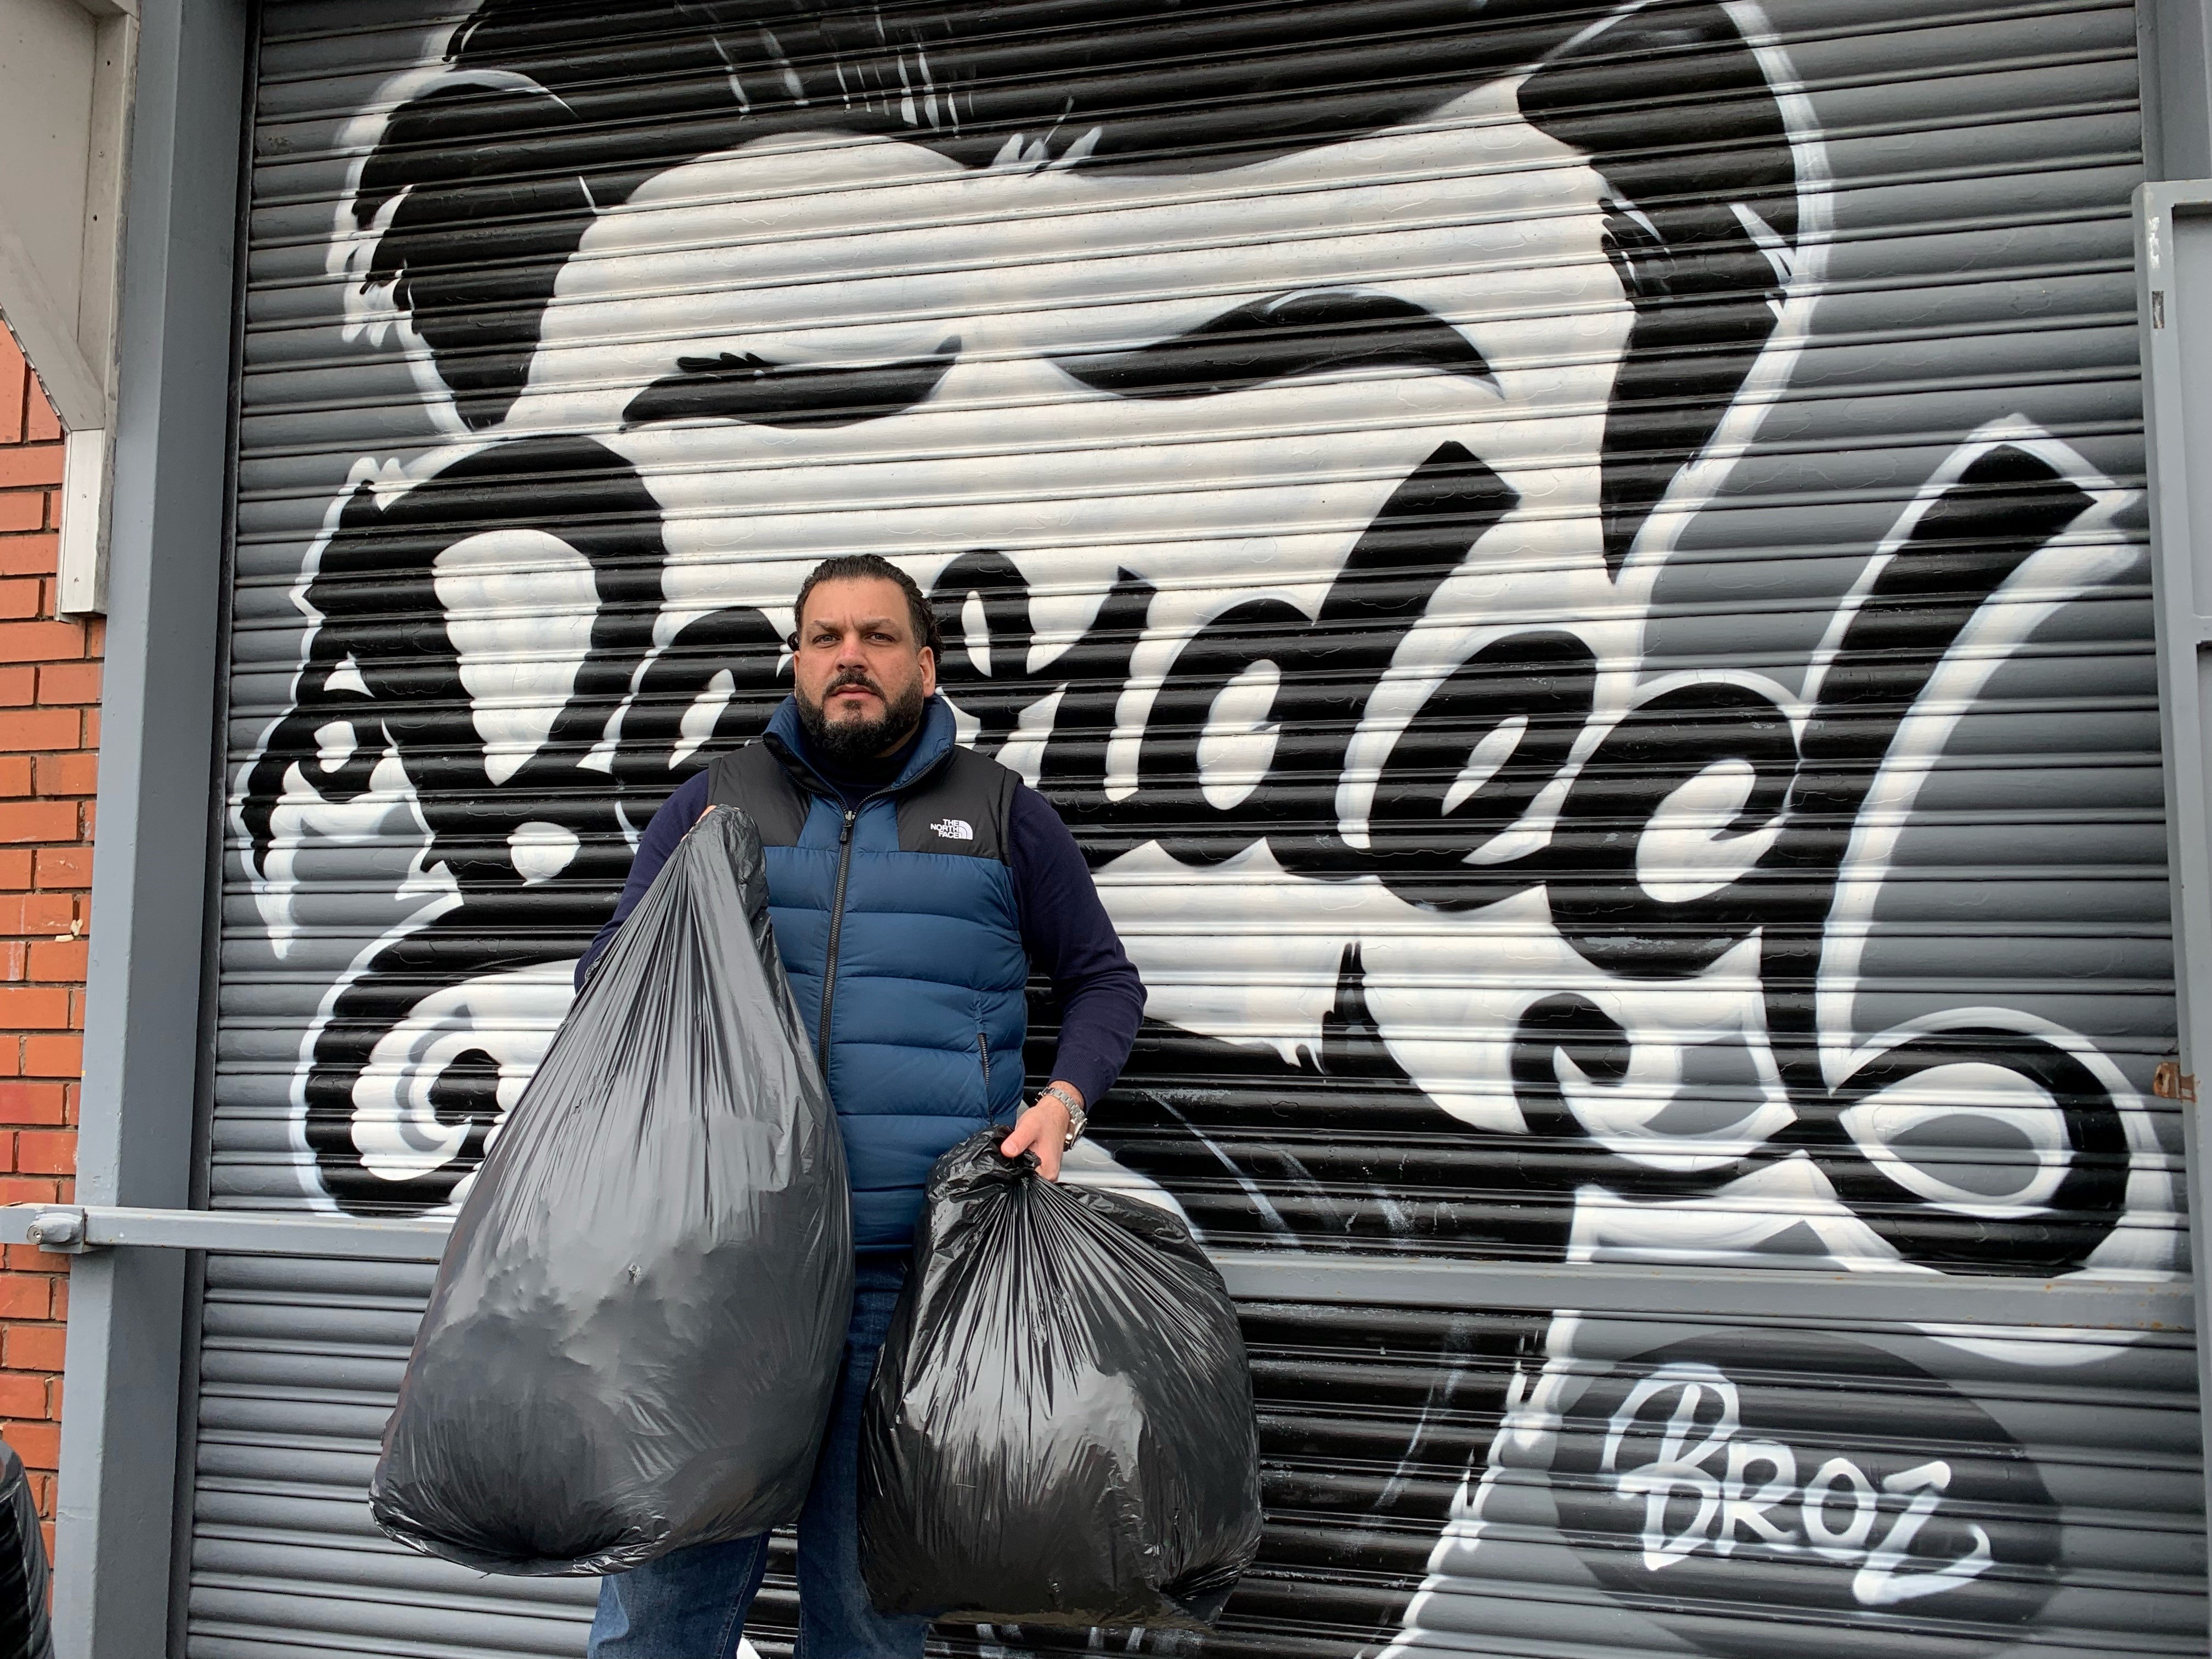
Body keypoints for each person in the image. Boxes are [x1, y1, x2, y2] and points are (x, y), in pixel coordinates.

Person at [577, 552, 1146, 1657]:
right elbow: (616, 980)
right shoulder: (713, 806)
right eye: (826, 637)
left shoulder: (1000, 815)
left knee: (870, 1624)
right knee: (658, 1618)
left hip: (908, 1284)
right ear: (795, 662)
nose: (850, 659)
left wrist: (1062, 1105)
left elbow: (1103, 982)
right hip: (718, 1282)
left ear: (925, 667)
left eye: (878, 638)